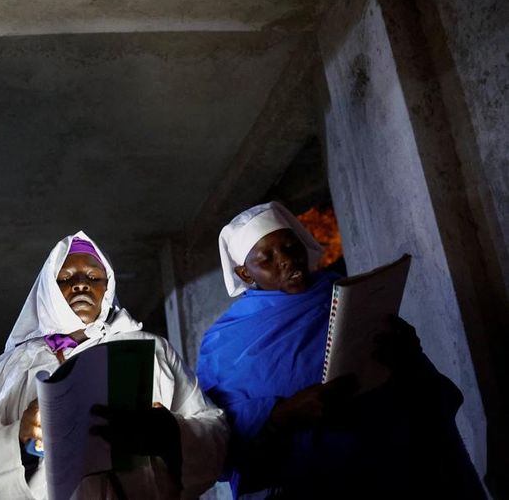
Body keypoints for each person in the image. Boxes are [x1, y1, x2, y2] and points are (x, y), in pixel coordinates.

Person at [196, 202, 485, 499]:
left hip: (400, 457)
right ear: (245, 273)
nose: (286, 260)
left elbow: (409, 371)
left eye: (290, 246)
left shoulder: (342, 292)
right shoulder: (223, 341)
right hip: (314, 482)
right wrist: (283, 413)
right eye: (267, 258)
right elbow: (213, 428)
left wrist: (407, 350)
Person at [0, 231, 229, 499]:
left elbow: (215, 437)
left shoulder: (149, 349)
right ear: (47, 290)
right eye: (66, 278)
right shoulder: (16, 365)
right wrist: (19, 437)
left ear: (108, 287)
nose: (81, 285)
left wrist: (170, 432)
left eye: (93, 277)